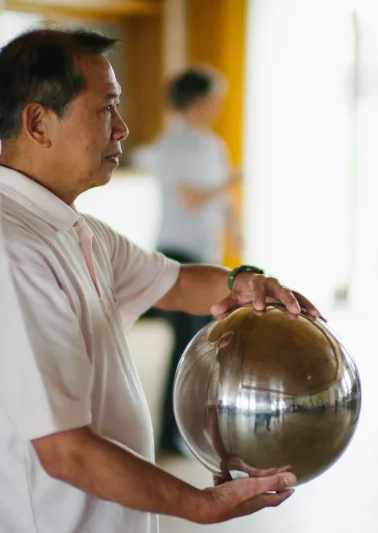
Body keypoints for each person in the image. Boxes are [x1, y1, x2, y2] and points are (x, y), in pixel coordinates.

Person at [0, 28, 318, 532]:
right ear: (37, 122)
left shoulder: (74, 229)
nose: (121, 128)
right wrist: (199, 505)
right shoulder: (11, 256)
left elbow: (179, 283)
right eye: (105, 109)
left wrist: (247, 280)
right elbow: (65, 452)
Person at [149, 67, 241, 454]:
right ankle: (170, 433)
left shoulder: (213, 145)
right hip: (178, 253)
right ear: (198, 100)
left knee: (205, 344)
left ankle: (195, 428)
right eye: (214, 97)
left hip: (206, 254)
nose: (217, 105)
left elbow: (222, 200)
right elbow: (190, 198)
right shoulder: (170, 145)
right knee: (185, 346)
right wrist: (229, 182)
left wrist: (235, 227)